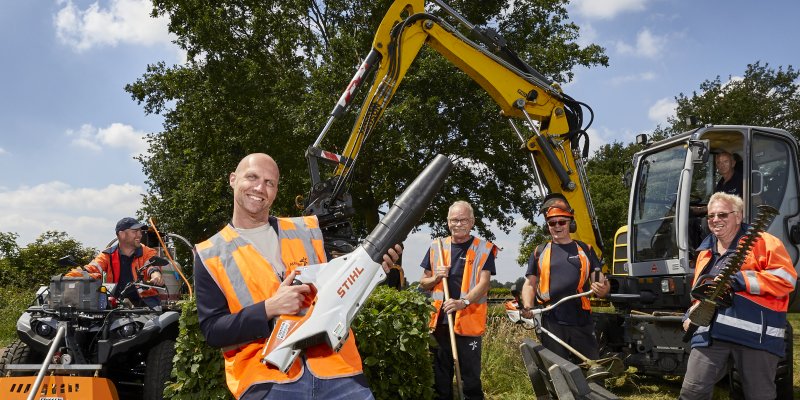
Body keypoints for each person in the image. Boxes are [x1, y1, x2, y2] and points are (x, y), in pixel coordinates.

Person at [194, 153, 400, 400]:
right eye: (252, 177)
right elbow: (213, 330)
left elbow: (346, 282)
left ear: (276, 190)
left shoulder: (309, 230)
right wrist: (269, 308)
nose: (260, 187)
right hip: (265, 378)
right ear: (233, 179)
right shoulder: (209, 253)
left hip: (337, 370)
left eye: (270, 182)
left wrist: (376, 269)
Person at [679, 192, 796, 400]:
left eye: (722, 215)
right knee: (692, 392)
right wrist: (690, 314)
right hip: (711, 335)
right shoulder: (705, 252)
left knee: (758, 396)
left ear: (738, 216)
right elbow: (701, 292)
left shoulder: (764, 242)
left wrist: (740, 279)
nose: (716, 220)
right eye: (711, 216)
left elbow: (786, 279)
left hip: (756, 336)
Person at [419, 200, 498, 400]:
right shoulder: (436, 247)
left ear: (472, 222)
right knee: (440, 377)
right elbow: (423, 283)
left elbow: (484, 283)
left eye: (463, 220)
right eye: (454, 220)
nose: (458, 224)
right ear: (448, 222)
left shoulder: (484, 248)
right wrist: (436, 277)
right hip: (439, 322)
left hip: (468, 321)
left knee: (470, 378)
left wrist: (463, 302)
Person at [519, 193, 609, 363]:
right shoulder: (539, 252)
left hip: (582, 320)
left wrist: (603, 289)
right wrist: (528, 306)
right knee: (556, 369)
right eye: (552, 223)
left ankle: (594, 390)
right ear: (547, 226)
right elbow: (530, 283)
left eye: (562, 222)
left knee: (590, 367)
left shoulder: (586, 250)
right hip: (551, 320)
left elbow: (599, 279)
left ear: (571, 223)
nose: (557, 226)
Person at [66, 217, 164, 308]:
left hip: (147, 304)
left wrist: (156, 276)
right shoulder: (107, 254)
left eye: (140, 231)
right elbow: (91, 269)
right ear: (121, 234)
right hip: (117, 305)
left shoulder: (147, 252)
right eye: (135, 231)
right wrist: (68, 278)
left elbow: (152, 267)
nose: (140, 234)